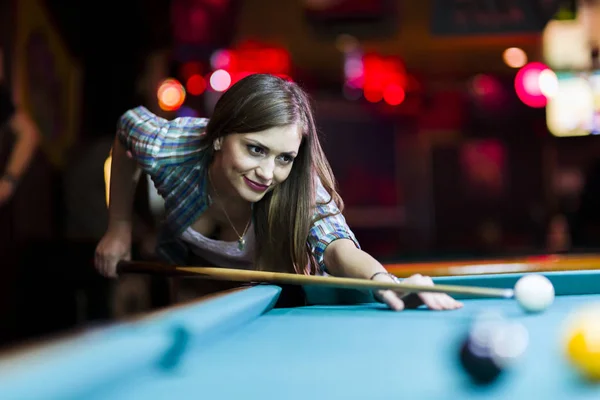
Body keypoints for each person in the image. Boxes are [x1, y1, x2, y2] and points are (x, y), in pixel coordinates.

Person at [95, 73, 462, 312]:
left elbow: (337, 247)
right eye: (255, 149)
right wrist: (119, 226)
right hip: (192, 288)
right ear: (220, 136)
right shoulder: (172, 148)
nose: (268, 173)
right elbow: (127, 128)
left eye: (284, 157)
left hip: (282, 304)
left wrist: (385, 282)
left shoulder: (301, 186)